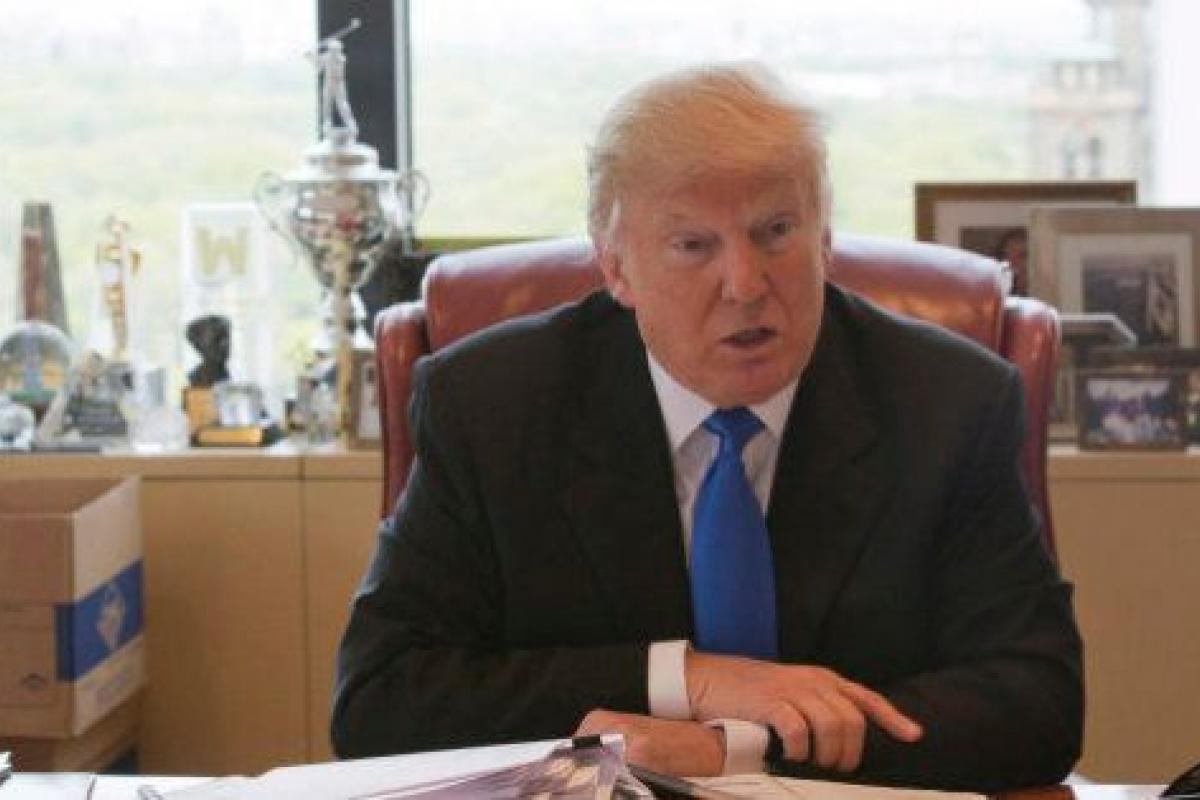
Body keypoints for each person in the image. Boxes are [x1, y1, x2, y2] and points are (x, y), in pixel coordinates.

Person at [332, 63, 1083, 792]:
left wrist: (736, 747)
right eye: (694, 245)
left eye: (776, 232)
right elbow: (380, 698)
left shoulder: (946, 402)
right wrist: (684, 679)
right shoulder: (496, 405)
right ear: (616, 267)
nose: (746, 285)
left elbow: (1038, 700)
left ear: (824, 238)